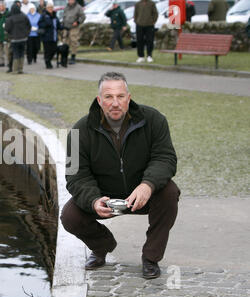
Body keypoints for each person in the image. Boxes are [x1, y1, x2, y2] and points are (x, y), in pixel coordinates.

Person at [62, 71, 180, 279]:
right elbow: (76, 176)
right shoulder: (79, 130)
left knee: (169, 192)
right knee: (70, 216)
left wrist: (148, 185)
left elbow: (165, 158)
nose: (115, 103)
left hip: (142, 194)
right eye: (108, 97)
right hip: (106, 198)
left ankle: (151, 258)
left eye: (120, 96)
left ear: (129, 97)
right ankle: (102, 247)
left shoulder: (154, 120)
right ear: (99, 100)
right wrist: (93, 200)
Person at [5, 3, 31, 74]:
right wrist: (26, 34)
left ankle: (15, 70)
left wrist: (10, 36)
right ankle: (20, 69)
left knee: (15, 53)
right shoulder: (24, 16)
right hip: (23, 38)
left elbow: (7, 29)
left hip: (14, 39)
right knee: (22, 53)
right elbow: (29, 26)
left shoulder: (10, 19)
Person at [38, 1, 61, 69]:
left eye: (51, 7)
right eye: (49, 7)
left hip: (54, 36)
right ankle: (47, 63)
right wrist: (46, 24)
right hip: (46, 37)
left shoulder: (55, 16)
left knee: (54, 50)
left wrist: (63, 27)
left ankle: (48, 60)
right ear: (46, 8)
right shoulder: (44, 15)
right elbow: (39, 24)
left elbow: (58, 25)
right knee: (47, 51)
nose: (50, 9)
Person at [62, 0, 85, 64]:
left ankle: (73, 57)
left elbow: (83, 16)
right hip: (66, 28)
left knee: (74, 42)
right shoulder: (66, 7)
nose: (69, 1)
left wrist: (77, 22)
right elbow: (64, 16)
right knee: (65, 42)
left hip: (74, 28)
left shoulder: (78, 7)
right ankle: (64, 57)